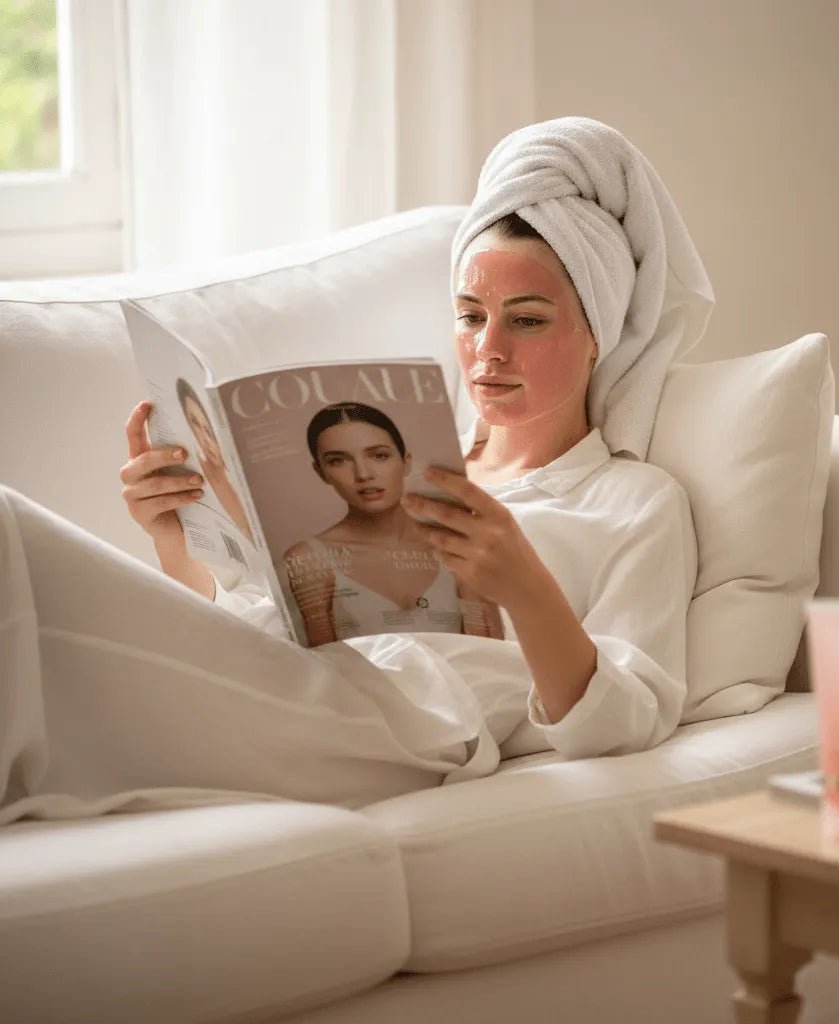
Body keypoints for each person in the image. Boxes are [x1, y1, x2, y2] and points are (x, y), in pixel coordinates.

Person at [0, 116, 719, 826]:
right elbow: (255, 625)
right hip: (286, 679)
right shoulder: (405, 466)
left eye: (526, 320)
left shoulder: (633, 501)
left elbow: (627, 722)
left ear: (599, 333)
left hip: (401, 720)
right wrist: (175, 539)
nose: (488, 350)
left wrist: (525, 587)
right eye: (470, 316)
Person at [282, 402, 461, 646]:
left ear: (406, 462)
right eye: (338, 461)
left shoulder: (454, 544)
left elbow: (488, 651)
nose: (363, 474)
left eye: (379, 456)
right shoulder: (309, 558)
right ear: (321, 472)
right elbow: (321, 659)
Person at [175, 377, 255, 546]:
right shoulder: (193, 478)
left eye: (207, 428)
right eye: (195, 423)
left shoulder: (243, 475)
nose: (205, 439)